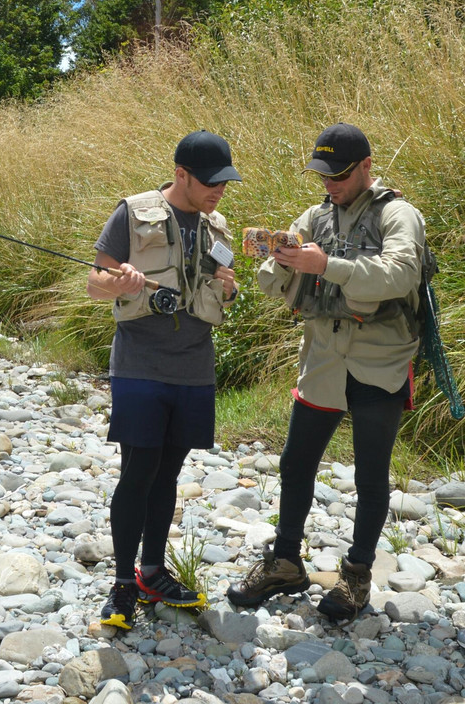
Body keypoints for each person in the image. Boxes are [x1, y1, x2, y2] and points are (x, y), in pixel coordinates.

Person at [226, 122, 426, 623]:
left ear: (366, 167)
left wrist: (325, 265)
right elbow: (272, 284)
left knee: (370, 473)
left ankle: (357, 575)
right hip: (322, 359)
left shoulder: (400, 215)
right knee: (295, 463)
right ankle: (285, 563)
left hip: (380, 363)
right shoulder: (315, 217)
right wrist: (281, 260)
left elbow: (401, 273)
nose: (329, 185)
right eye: (322, 175)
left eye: (338, 175)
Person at [88, 130, 241, 630]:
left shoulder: (218, 226)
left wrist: (230, 288)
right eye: (210, 181)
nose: (219, 190)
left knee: (169, 472)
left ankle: (152, 571)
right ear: (181, 175)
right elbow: (95, 282)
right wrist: (121, 280)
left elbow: (224, 291)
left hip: (194, 368)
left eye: (225, 181)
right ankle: (122, 584)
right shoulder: (133, 213)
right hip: (139, 365)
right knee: (139, 469)